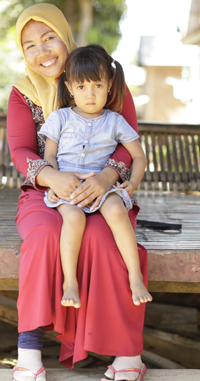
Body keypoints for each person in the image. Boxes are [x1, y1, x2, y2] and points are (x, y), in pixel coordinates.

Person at [7, 3, 148, 381]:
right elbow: (21, 150)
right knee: (44, 237)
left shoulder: (104, 78)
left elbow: (129, 142)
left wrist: (106, 177)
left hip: (104, 189)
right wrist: (50, 176)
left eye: (49, 37)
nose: (43, 50)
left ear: (64, 36)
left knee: (106, 239)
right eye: (30, 44)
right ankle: (29, 353)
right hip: (47, 192)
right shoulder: (23, 92)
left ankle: (127, 353)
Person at [39, 44, 151, 309]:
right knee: (74, 218)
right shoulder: (60, 118)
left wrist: (131, 184)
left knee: (115, 210)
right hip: (68, 188)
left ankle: (135, 276)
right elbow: (49, 156)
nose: (90, 95)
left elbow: (139, 156)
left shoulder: (115, 121)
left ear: (110, 85)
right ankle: (70, 282)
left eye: (97, 86)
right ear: (69, 88)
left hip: (102, 189)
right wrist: (54, 180)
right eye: (81, 87)